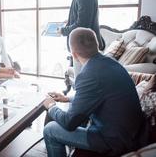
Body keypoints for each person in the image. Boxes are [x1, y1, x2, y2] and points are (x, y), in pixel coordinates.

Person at [43, 28, 146, 157]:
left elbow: (69, 123)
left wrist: (51, 106)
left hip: (114, 139)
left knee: (50, 130)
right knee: (71, 112)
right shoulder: (110, 62)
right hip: (132, 130)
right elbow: (98, 95)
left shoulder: (89, 74)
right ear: (97, 45)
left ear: (73, 54)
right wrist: (68, 98)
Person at [57, 0, 104, 79]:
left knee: (82, 85)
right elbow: (81, 18)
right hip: (84, 48)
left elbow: (82, 25)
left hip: (85, 49)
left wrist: (63, 31)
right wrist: (68, 22)